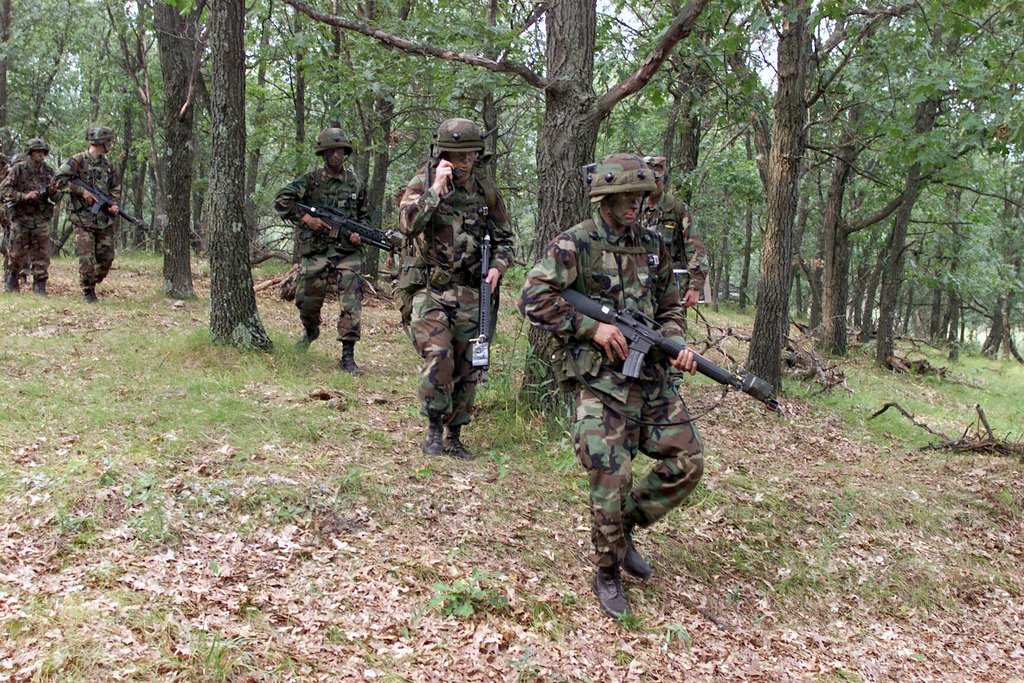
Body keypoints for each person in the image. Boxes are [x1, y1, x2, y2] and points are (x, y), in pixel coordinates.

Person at [519, 153, 704, 619]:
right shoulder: (576, 243)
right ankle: (607, 571)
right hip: (601, 380)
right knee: (610, 475)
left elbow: (669, 307)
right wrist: (590, 327)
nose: (634, 206)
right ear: (605, 196)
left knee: (687, 462)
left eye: (640, 197)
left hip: (652, 375)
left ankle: (621, 531)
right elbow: (532, 297)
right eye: (625, 197)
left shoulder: (655, 245)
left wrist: (676, 342)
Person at [397, 118, 513, 460]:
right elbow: (407, 225)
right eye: (458, 155)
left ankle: (455, 434)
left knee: (469, 366)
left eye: (471, 155)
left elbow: (505, 239)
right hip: (430, 289)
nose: (465, 162)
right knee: (439, 355)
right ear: (443, 153)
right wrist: (435, 189)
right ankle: (434, 427)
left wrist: (498, 266)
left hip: (472, 293)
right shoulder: (422, 183)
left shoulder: (486, 191)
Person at [274, 127, 371, 374]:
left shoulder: (355, 184)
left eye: (341, 150)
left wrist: (360, 236)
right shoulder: (309, 180)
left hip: (347, 252)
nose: (337, 155)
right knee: (306, 301)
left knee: (352, 302)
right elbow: (281, 200)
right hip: (316, 251)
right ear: (323, 153)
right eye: (332, 151)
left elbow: (365, 219)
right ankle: (310, 331)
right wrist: (307, 219)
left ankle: (347, 356)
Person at [53, 125, 123, 303]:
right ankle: (88, 291)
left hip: (103, 220)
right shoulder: (77, 161)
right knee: (86, 258)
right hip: (82, 218)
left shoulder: (107, 165)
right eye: (108, 141)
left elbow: (115, 186)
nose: (110, 145)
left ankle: (93, 280)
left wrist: (114, 204)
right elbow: (56, 182)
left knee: (106, 257)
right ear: (100, 142)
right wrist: (79, 191)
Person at [640, 156, 709, 308]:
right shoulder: (634, 208)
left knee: (672, 328)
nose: (651, 185)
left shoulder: (677, 209)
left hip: (670, 286)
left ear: (664, 180)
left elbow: (695, 248)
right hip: (639, 287)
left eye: (655, 180)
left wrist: (695, 286)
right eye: (647, 180)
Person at [1, 138, 56, 295]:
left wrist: (53, 192)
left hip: (40, 218)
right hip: (21, 218)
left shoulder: (48, 172)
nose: (40, 155)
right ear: (30, 153)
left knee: (42, 254)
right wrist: (23, 196)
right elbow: (5, 189)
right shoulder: (18, 170)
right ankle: (12, 280)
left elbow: (56, 197)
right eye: (36, 152)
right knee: (16, 253)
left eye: (42, 152)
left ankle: (39, 285)